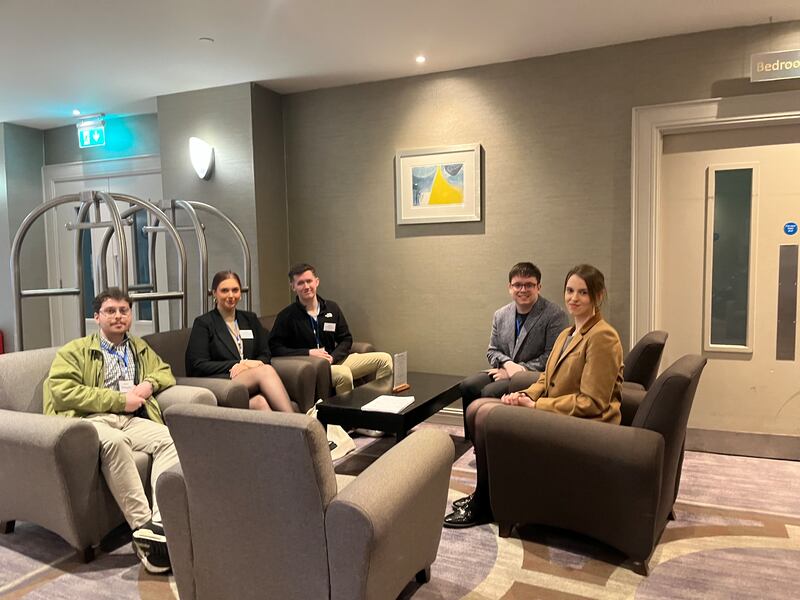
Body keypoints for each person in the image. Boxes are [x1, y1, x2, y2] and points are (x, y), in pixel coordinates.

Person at [443, 264, 623, 528]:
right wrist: (524, 394)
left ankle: (485, 503)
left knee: (484, 414)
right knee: (477, 408)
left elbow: (592, 403)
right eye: (570, 291)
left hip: (583, 424)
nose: (574, 298)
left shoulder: (603, 337)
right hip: (557, 411)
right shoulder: (569, 333)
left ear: (598, 296)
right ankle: (485, 495)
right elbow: (545, 378)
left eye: (583, 293)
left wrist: (537, 405)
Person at [44, 288, 194, 574]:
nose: (118, 316)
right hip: (92, 421)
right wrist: (118, 400)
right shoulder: (75, 351)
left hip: (132, 419)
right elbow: (63, 392)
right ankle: (143, 530)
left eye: (124, 311)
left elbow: (164, 370)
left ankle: (161, 522)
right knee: (115, 443)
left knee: (169, 440)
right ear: (97, 317)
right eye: (110, 311)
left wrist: (148, 384)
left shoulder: (137, 347)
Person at [459, 262, 568, 438]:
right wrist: (508, 364)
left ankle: (493, 440)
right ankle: (473, 440)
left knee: (489, 392)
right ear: (509, 287)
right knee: (468, 385)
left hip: (534, 376)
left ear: (538, 287)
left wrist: (518, 371)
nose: (523, 289)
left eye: (529, 285)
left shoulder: (555, 315)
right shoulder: (500, 315)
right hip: (503, 369)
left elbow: (552, 356)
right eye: (518, 285)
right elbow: (492, 350)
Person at [269, 263, 393, 395]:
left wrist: (333, 358)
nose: (306, 287)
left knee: (384, 360)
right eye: (300, 283)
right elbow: (275, 348)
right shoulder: (287, 316)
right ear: (293, 287)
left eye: (309, 281)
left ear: (317, 282)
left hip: (336, 360)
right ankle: (346, 415)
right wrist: (308, 353)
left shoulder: (332, 308)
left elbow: (346, 339)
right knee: (343, 374)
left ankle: (380, 407)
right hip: (312, 368)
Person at [185, 270, 295, 412]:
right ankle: (296, 421)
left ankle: (287, 432)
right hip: (219, 379)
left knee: (260, 403)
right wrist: (239, 364)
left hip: (247, 378)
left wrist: (251, 364)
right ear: (214, 293)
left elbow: (265, 353)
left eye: (235, 290)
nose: (231, 295)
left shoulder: (250, 319)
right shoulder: (204, 323)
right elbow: (197, 365)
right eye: (224, 290)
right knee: (266, 371)